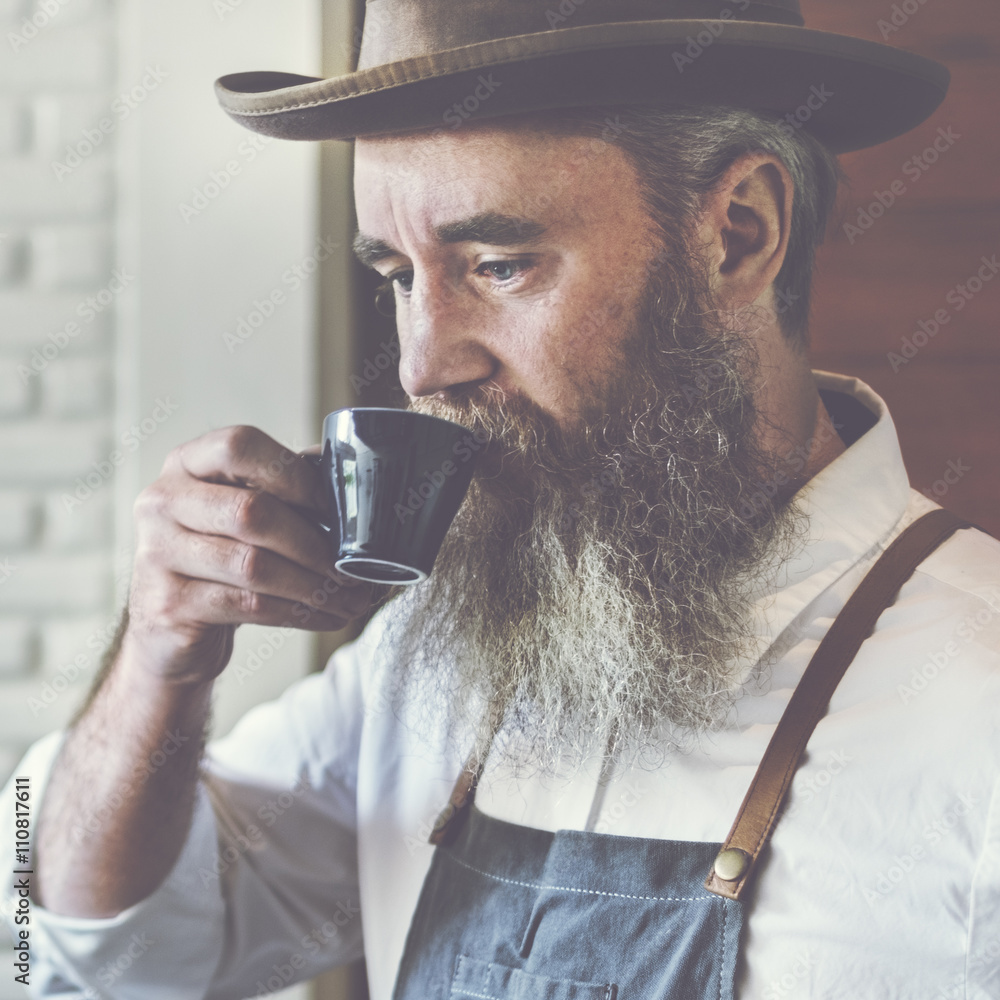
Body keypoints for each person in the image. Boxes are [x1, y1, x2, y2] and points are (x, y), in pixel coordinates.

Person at [4, 1, 1000, 998]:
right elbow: (97, 960)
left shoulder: (974, 705)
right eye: (398, 274)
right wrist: (158, 659)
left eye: (497, 264)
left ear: (738, 235)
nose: (422, 364)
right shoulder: (428, 664)